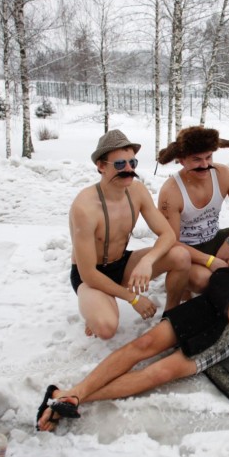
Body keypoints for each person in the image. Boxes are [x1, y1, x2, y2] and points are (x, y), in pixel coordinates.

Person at [36, 226, 229, 430]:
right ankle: (74, 394)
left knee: (160, 373)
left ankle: (70, 396)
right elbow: (222, 279)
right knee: (143, 346)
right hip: (208, 312)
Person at [69, 129, 190, 340]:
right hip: (90, 276)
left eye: (132, 163)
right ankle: (96, 306)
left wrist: (148, 261)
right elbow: (87, 273)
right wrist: (133, 298)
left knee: (180, 255)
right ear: (100, 166)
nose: (128, 169)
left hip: (121, 264)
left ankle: (170, 316)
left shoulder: (137, 191)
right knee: (106, 328)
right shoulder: (84, 207)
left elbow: (167, 234)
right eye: (119, 164)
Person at [157, 126, 229, 294]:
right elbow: (170, 242)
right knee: (204, 280)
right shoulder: (170, 192)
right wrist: (209, 261)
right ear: (182, 160)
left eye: (209, 157)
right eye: (197, 160)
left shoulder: (223, 174)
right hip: (187, 251)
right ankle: (185, 282)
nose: (205, 164)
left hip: (215, 239)